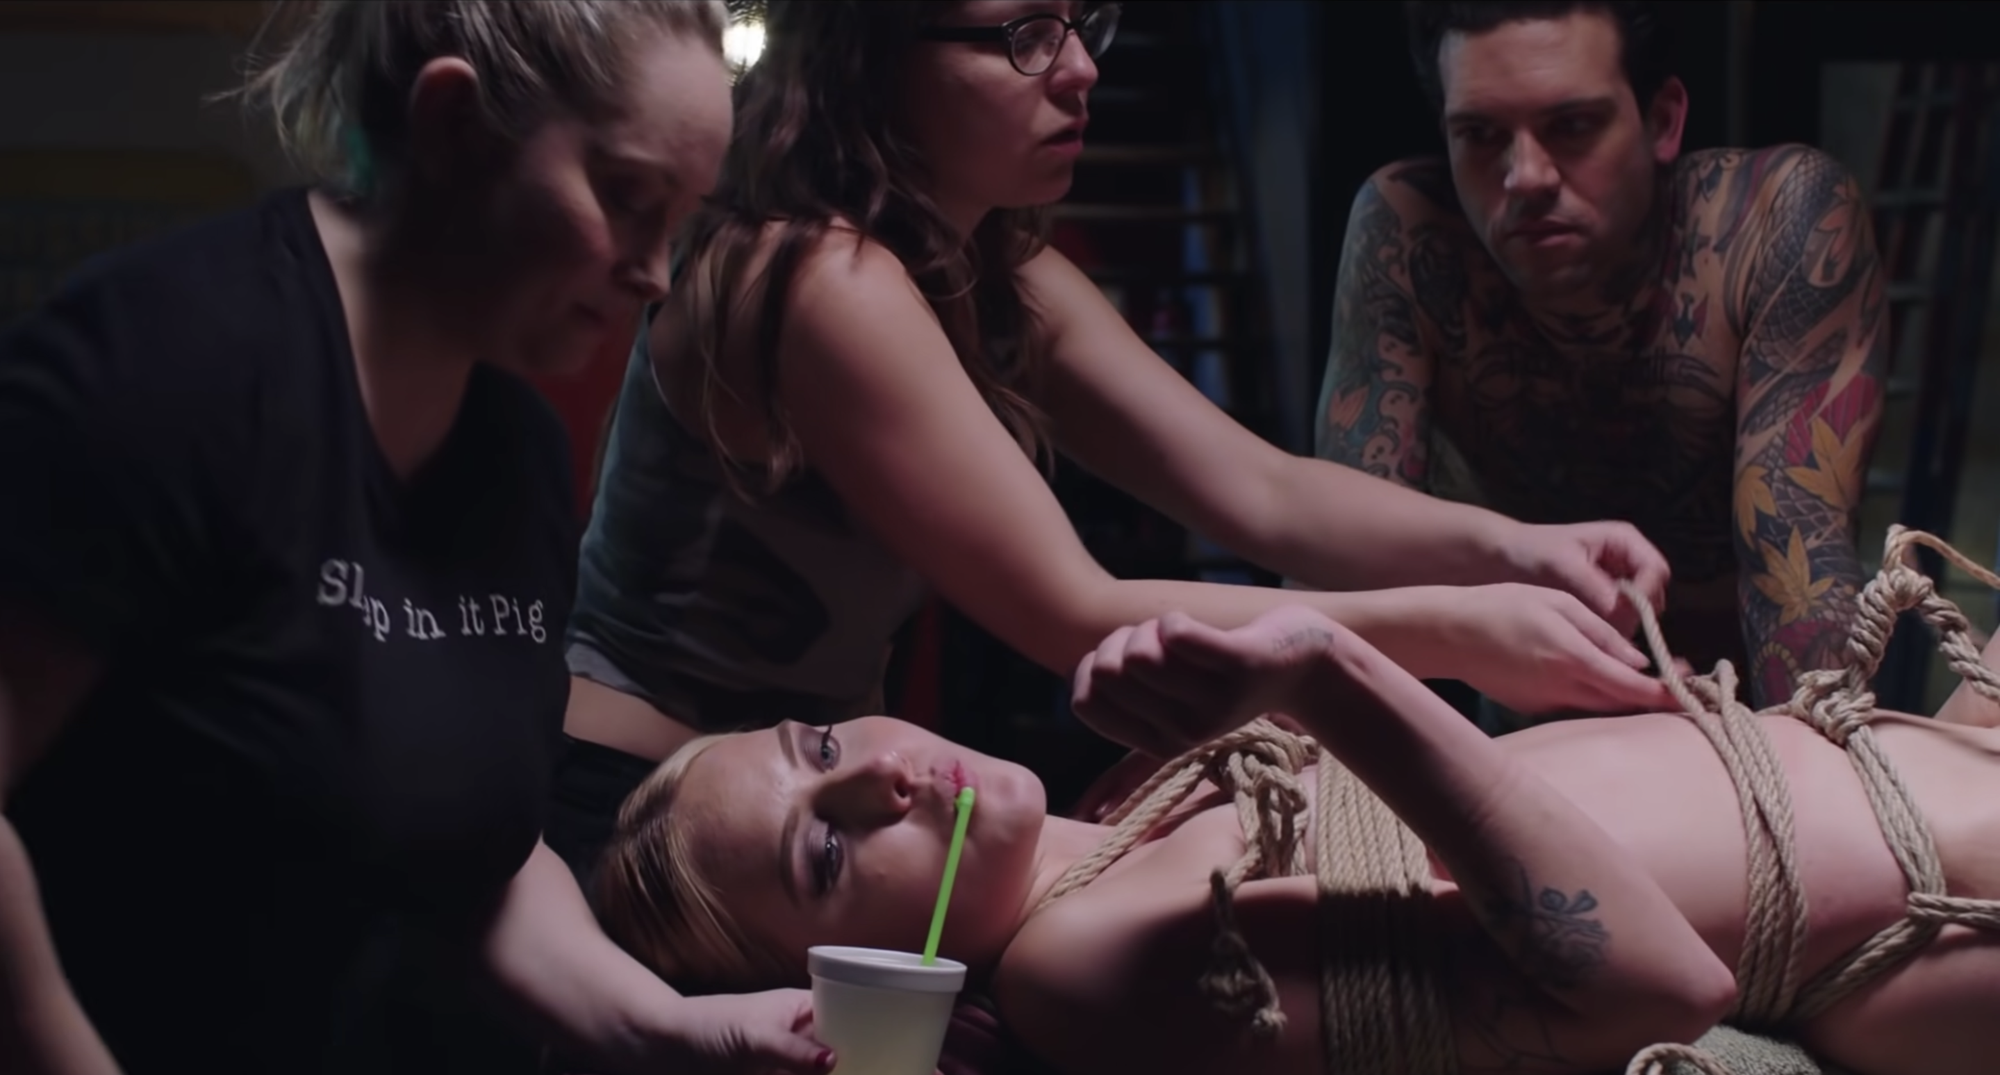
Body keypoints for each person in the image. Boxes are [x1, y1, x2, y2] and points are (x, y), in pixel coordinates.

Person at [559, 0, 1689, 876]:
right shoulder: (819, 279)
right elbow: (1075, 612)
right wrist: (1462, 633)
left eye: (1079, 22)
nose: (1080, 68)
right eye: (1024, 36)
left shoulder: (991, 268)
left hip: (810, 818)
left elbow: (1264, 491)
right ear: (873, 59)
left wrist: (1516, 548)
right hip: (632, 807)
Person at [0, 2, 835, 1072]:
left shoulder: (515, 448)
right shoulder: (163, 365)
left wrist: (672, 1023)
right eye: (628, 200)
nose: (656, 274)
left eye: (679, 219)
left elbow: (479, 859)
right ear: (452, 124)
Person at [591, 599, 2000, 1075]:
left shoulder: (1127, 811)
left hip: (1907, 763)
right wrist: (1331, 672)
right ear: (861, 993)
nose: (880, 781)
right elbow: (1659, 989)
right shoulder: (1081, 972)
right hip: (1937, 906)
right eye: (825, 854)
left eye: (820, 748)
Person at [1311, 1, 1888, 718]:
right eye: (1481, 135)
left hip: (1748, 717)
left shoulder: (1770, 227)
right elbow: (1342, 581)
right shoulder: (1409, 238)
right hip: (1526, 723)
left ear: (1662, 121)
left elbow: (1799, 586)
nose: (1525, 176)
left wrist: (1803, 760)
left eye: (1573, 125)